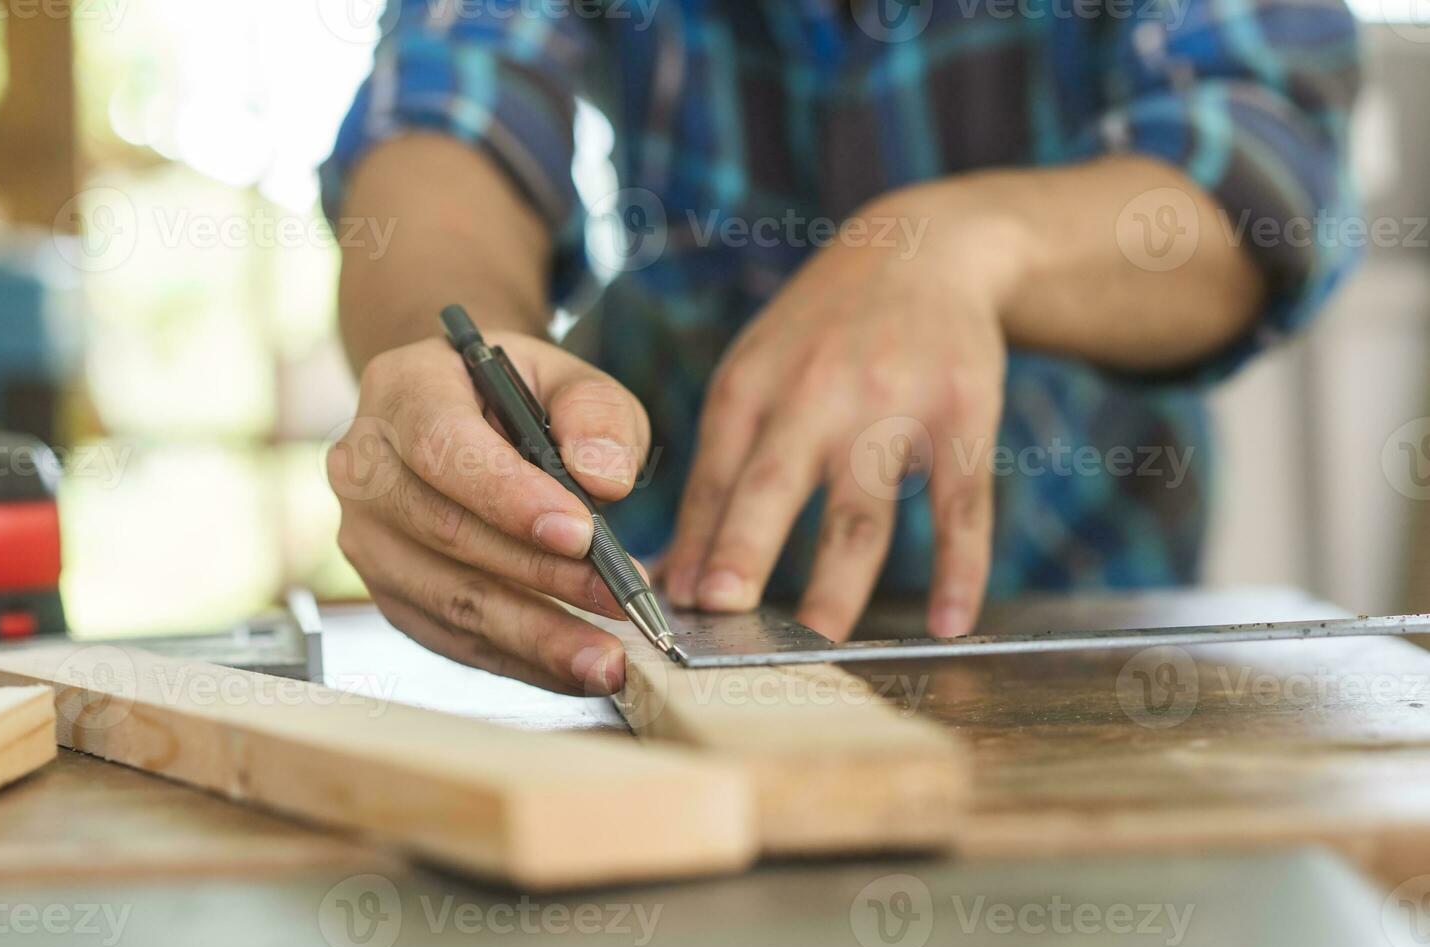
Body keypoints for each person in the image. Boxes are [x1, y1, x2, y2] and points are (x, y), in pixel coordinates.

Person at [322, 0, 1359, 696]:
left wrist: (965, 248)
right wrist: (447, 361)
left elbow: (1266, 154)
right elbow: (447, 105)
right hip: (659, 602)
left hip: (1089, 621)